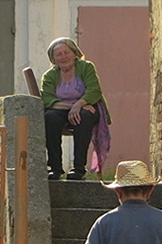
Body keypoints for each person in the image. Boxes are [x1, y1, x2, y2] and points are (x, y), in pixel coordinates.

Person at [41, 37, 111, 181]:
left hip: (88, 106)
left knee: (84, 117)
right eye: (58, 55)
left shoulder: (86, 67)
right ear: (53, 59)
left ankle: (78, 169)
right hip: (61, 108)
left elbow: (94, 90)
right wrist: (72, 107)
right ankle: (55, 168)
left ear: (74, 53)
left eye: (66, 52)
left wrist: (79, 105)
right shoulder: (49, 76)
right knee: (50, 117)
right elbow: (47, 99)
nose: (63, 57)